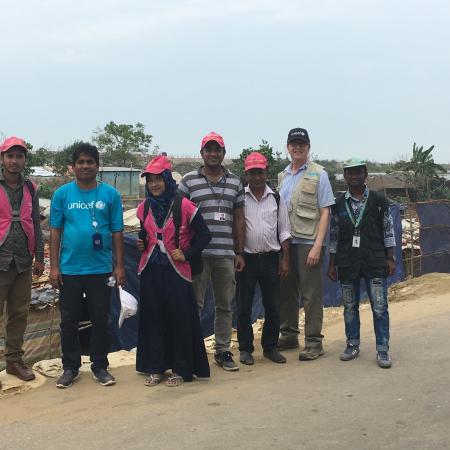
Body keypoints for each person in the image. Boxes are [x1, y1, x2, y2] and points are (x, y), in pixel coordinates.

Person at [49, 143, 125, 388]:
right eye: (80, 162)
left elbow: (117, 232)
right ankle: (70, 367)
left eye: (90, 162)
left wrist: (120, 266)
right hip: (70, 269)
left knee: (100, 318)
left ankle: (100, 366)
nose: (85, 166)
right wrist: (54, 266)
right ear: (73, 166)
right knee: (68, 320)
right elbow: (55, 230)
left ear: (97, 165)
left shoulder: (110, 195)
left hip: (101, 269)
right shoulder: (62, 194)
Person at [136, 155, 211, 386]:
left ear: (168, 180)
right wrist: (142, 242)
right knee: (154, 320)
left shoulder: (184, 205)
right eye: (150, 180)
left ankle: (181, 369)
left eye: (159, 179)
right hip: (151, 272)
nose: (154, 184)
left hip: (177, 273)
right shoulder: (144, 207)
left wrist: (186, 254)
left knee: (179, 320)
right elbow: (144, 233)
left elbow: (205, 235)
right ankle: (156, 367)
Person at [179, 131, 245, 371]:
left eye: (217, 149)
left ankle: (223, 351)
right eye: (209, 149)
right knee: (194, 305)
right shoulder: (188, 181)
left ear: (224, 154)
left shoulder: (236, 182)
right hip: (196, 255)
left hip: (226, 254)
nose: (213, 153)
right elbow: (179, 217)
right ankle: (192, 350)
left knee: (225, 305)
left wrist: (239, 251)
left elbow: (239, 218)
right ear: (202, 153)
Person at [327, 158, 395, 368]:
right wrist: (331, 264)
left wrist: (390, 258)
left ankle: (382, 349)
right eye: (350, 173)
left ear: (365, 174)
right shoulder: (338, 203)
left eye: (358, 172)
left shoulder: (379, 201)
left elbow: (388, 231)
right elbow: (334, 236)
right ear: (345, 176)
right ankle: (352, 344)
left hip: (375, 261)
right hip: (347, 263)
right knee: (349, 307)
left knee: (380, 307)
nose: (354, 176)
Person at [278, 128, 335, 361]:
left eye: (302, 144)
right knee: (286, 292)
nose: (297, 148)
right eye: (294, 144)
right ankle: (289, 334)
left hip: (309, 242)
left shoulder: (319, 174)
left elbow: (325, 212)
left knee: (311, 294)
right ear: (288, 147)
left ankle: (313, 341)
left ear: (308, 147)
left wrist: (317, 246)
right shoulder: (283, 176)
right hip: (287, 242)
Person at [236, 152, 291, 365]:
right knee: (243, 307)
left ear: (267, 173)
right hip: (247, 259)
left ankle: (270, 347)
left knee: (273, 306)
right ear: (246, 174)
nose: (257, 177)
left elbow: (284, 231)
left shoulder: (276, 198)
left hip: (270, 259)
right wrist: (237, 254)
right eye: (252, 173)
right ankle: (245, 349)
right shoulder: (240, 198)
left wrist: (285, 259)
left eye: (260, 172)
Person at [0, 137, 44, 389]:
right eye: (10, 156)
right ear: (2, 159)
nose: (15, 161)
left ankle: (14, 361)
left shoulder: (31, 189)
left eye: (19, 156)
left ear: (25, 160)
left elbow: (35, 223)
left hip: (23, 261)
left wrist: (40, 256)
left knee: (19, 313)